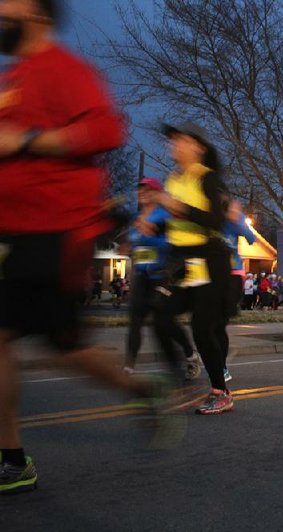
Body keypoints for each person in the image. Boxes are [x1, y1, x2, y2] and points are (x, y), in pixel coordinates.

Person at [0, 0, 169, 494]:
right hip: (13, 232)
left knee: (63, 348)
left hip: (56, 230)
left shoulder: (66, 69)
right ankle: (12, 458)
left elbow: (106, 129)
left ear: (34, 11)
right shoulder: (14, 76)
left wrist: (28, 139)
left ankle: (140, 387)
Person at [148, 121, 233, 414]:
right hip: (183, 262)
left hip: (210, 259)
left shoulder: (208, 179)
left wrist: (176, 207)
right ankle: (179, 384)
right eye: (172, 141)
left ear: (198, 147)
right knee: (161, 318)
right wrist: (155, 223)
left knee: (201, 327)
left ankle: (220, 391)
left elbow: (215, 221)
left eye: (181, 140)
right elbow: (176, 220)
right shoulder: (174, 179)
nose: (175, 146)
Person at [124, 178, 196, 376]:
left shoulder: (165, 215)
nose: (143, 192)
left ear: (157, 192)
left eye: (148, 189)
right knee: (135, 320)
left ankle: (189, 353)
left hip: (163, 276)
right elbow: (134, 245)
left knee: (164, 321)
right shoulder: (136, 217)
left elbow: (171, 244)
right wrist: (129, 248)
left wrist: (152, 233)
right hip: (141, 276)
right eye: (140, 189)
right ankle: (128, 366)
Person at [218, 196, 257, 382]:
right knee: (209, 324)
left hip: (234, 273)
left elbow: (251, 239)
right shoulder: (211, 219)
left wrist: (239, 220)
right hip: (213, 273)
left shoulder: (236, 220)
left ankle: (222, 367)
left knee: (220, 323)